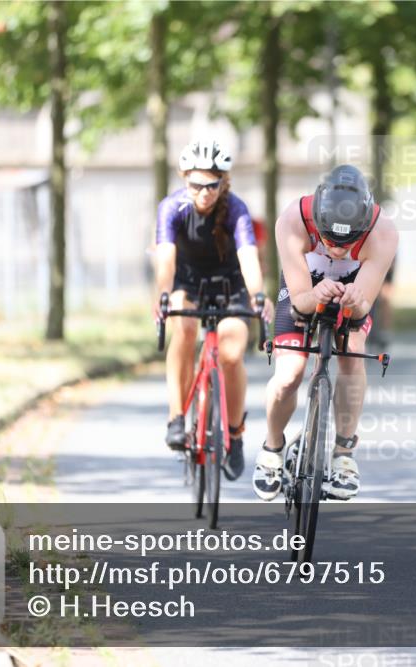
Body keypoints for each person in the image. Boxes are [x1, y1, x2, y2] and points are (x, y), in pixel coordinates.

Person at [252, 165, 398, 501]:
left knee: (352, 359)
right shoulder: (292, 219)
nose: (336, 249)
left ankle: (344, 454)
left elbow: (362, 309)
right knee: (290, 374)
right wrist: (313, 297)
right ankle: (272, 448)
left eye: (347, 242)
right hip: (305, 285)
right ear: (317, 221)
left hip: (354, 288)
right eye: (329, 239)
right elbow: (300, 303)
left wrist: (354, 302)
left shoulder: (383, 232)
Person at [153, 138, 274, 481]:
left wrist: (257, 295)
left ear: (224, 182)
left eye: (212, 185)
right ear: (184, 179)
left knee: (231, 353)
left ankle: (234, 435)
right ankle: (177, 417)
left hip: (230, 286)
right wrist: (163, 295)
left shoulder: (235, 209)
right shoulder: (171, 208)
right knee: (185, 328)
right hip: (187, 284)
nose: (204, 193)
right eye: (196, 185)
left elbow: (248, 256)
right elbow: (165, 258)